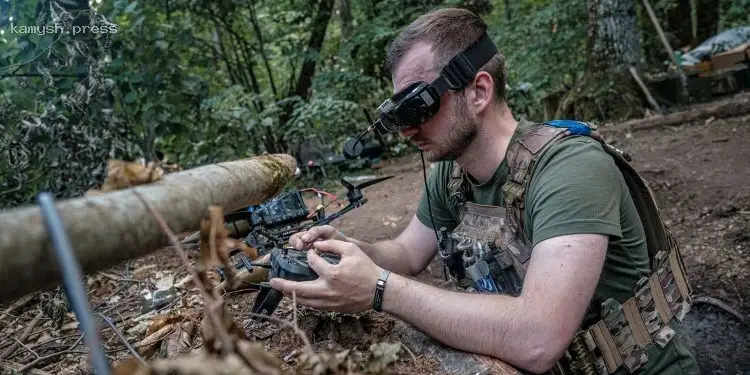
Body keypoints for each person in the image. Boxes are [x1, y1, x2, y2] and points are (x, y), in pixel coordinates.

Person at [268, 8, 699, 375]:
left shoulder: (570, 169)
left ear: (478, 91)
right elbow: (406, 255)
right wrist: (343, 250)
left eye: (418, 107)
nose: (409, 130)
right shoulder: (449, 172)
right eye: (399, 115)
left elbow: (538, 337)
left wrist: (379, 290)